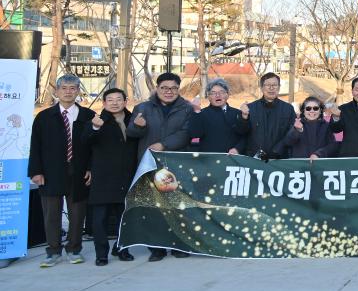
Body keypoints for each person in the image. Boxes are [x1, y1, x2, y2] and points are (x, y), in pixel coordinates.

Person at [127, 71, 194, 261]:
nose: (169, 91)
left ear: (178, 90)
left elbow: (186, 133)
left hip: (175, 163)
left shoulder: (186, 109)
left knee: (177, 205)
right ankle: (156, 247)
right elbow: (132, 133)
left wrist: (164, 145)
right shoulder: (143, 107)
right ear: (157, 89)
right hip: (150, 164)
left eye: (173, 88)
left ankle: (179, 244)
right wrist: (138, 126)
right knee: (153, 206)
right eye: (164, 88)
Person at [28, 74, 93, 267]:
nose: (68, 91)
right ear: (56, 91)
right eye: (64, 88)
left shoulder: (87, 116)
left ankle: (74, 249)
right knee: (51, 214)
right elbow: (35, 146)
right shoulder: (44, 117)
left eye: (73, 88)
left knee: (77, 214)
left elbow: (94, 147)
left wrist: (91, 168)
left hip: (79, 172)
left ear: (78, 91)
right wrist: (36, 171)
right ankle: (53, 251)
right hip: (50, 172)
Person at [82, 87, 139, 265]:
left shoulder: (133, 120)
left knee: (125, 217)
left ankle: (122, 249)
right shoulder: (97, 120)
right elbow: (85, 142)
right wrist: (94, 128)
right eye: (110, 100)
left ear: (125, 101)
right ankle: (101, 253)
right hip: (103, 177)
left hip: (127, 176)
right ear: (104, 103)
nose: (115, 103)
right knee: (99, 220)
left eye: (118, 99)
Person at [187, 79, 249, 154]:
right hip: (209, 159)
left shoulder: (237, 113)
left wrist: (237, 149)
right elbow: (195, 134)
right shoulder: (201, 114)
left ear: (228, 94)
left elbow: (245, 136)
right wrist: (196, 111)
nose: (217, 95)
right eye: (213, 93)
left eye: (221, 92)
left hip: (232, 159)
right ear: (208, 96)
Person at [244, 72, 295, 160]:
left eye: (274, 85)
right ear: (261, 87)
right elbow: (243, 133)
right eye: (267, 85)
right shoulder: (250, 108)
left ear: (279, 87)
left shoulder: (288, 109)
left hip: (279, 159)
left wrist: (278, 150)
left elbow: (291, 134)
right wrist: (242, 118)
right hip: (254, 160)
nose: (271, 88)